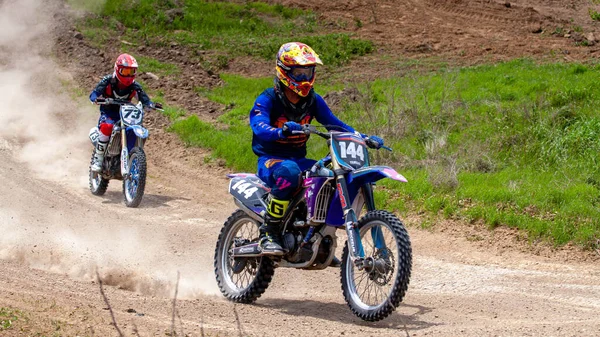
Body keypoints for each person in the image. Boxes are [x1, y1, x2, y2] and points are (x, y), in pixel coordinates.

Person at [249, 42, 385, 256]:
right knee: (290, 173)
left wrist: (363, 137)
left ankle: (316, 239)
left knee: (329, 178)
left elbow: (335, 124)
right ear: (284, 72)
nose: (305, 78)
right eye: (299, 72)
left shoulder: (313, 100)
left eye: (308, 72)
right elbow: (259, 127)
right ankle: (269, 231)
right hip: (271, 159)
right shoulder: (268, 99)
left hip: (298, 159)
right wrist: (280, 132)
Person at [88, 53, 159, 172]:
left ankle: (132, 156)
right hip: (109, 114)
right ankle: (98, 159)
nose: (128, 75)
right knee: (108, 126)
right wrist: (96, 98)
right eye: (125, 72)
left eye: (131, 72)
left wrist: (150, 104)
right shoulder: (108, 81)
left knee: (134, 129)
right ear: (117, 69)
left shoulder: (134, 86)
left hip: (126, 116)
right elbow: (94, 93)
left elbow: (144, 99)